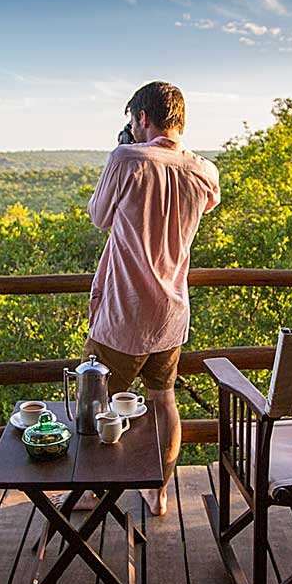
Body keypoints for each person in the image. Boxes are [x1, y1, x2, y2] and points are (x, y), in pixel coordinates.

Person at [84, 81, 220, 516]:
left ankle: (88, 490)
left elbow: (99, 216)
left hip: (124, 313)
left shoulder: (126, 159)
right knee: (164, 401)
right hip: (171, 312)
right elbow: (205, 201)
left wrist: (126, 151)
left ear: (142, 118)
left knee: (94, 401)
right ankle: (159, 492)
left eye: (132, 122)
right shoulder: (204, 173)